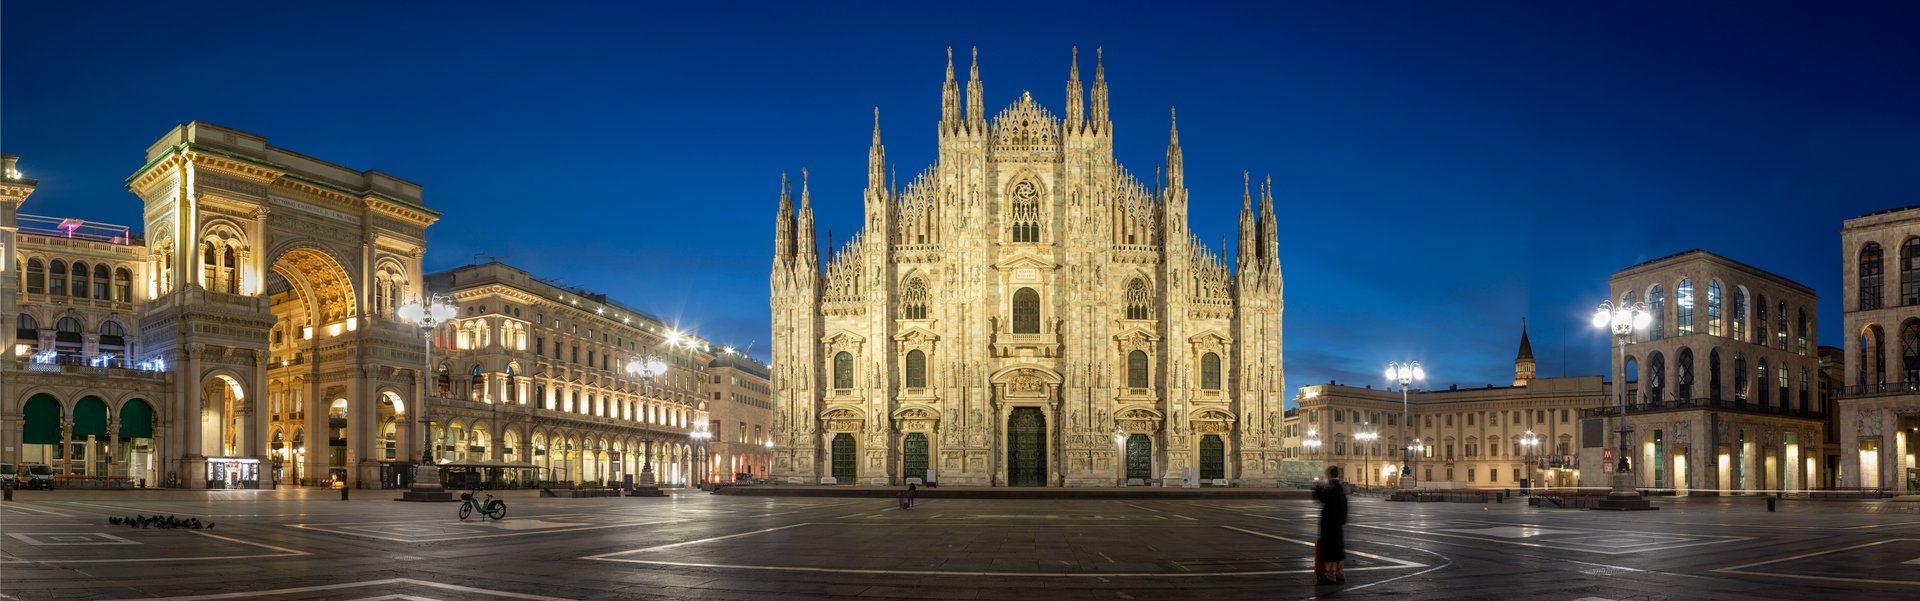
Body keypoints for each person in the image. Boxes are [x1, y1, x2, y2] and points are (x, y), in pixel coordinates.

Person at [1313, 466, 1349, 583]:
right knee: (1338, 549)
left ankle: (1331, 575)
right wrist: (1342, 520)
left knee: (1330, 550)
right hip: (1338, 524)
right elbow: (1345, 506)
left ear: (1329, 475)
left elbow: (1323, 498)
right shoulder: (1340, 488)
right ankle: (1340, 573)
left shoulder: (1332, 488)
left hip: (1330, 525)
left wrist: (1317, 488)